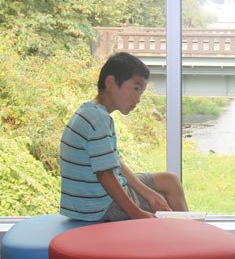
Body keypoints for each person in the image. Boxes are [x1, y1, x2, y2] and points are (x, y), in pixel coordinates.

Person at [60, 52, 189, 221]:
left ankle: (186, 233)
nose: (138, 99)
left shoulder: (90, 111)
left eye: (141, 92)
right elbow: (105, 175)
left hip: (89, 204)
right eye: (136, 89)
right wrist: (138, 214)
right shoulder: (99, 118)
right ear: (111, 83)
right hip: (101, 207)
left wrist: (150, 194)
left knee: (169, 181)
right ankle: (189, 238)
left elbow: (114, 163)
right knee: (169, 192)